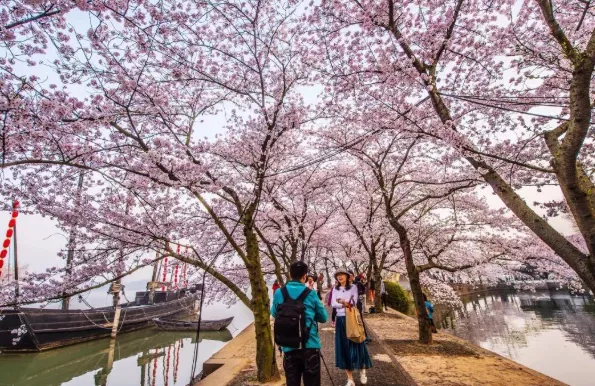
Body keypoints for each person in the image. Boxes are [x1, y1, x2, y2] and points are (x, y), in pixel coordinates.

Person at [271, 261, 328, 386]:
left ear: (290, 275)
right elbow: (323, 317)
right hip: (310, 345)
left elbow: (274, 313)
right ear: (305, 276)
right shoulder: (311, 293)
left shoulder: (280, 293)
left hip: (289, 346)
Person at [332, 268, 372, 386]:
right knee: (343, 348)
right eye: (338, 275)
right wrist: (344, 303)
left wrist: (342, 302)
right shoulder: (335, 288)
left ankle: (362, 369)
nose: (340, 277)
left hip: (352, 319)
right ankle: (350, 379)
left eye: (342, 275)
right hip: (340, 320)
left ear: (347, 276)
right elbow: (333, 304)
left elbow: (353, 303)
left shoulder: (354, 287)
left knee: (358, 344)